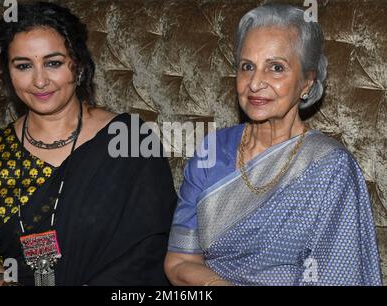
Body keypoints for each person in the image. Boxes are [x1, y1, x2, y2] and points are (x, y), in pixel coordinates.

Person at [0, 1, 176, 286]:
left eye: (53, 63)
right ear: (8, 74)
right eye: (23, 65)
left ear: (79, 65)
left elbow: (151, 248)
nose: (39, 80)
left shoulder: (130, 141)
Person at [164, 3, 382, 286]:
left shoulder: (331, 168)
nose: (255, 83)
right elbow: (180, 260)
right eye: (247, 67)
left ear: (307, 82)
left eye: (276, 68)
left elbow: (337, 276)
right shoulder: (211, 152)